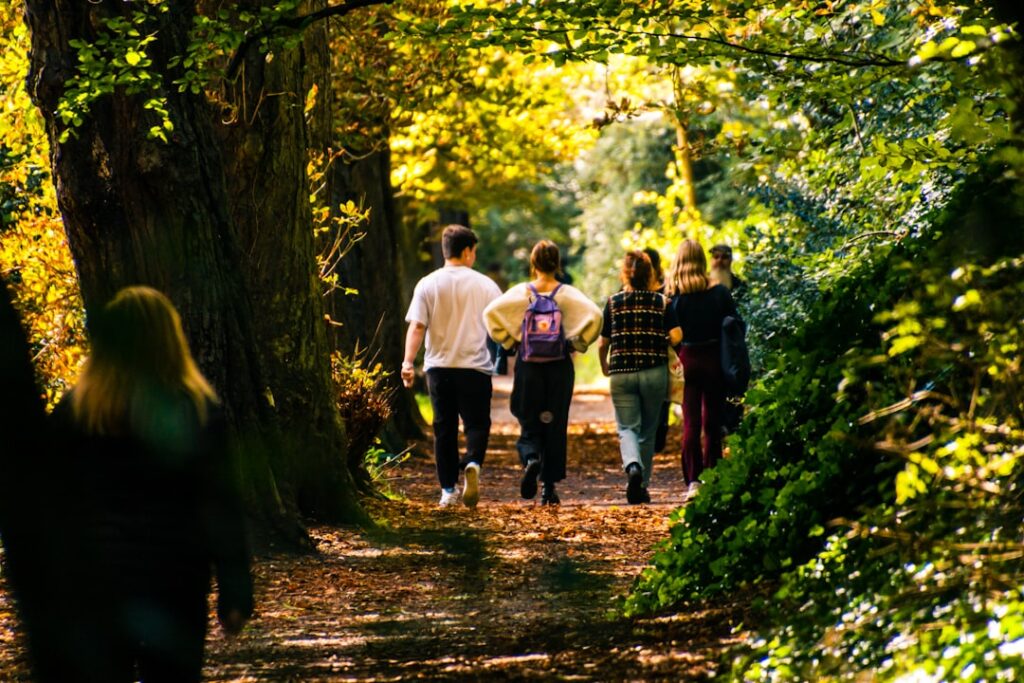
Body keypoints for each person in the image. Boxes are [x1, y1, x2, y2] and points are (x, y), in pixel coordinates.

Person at [49, 285, 253, 682]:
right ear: (171, 341)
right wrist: (235, 592)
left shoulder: (76, 413)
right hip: (175, 579)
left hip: (96, 581)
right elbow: (220, 506)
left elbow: (49, 501)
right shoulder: (198, 412)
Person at [484, 240, 602, 505]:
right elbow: (596, 316)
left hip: (529, 366)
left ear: (533, 263)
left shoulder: (520, 293)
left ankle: (531, 457)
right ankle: (549, 488)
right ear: (557, 264)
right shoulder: (568, 294)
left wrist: (511, 341)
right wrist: (577, 343)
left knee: (528, 418)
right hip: (559, 367)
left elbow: (490, 313)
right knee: (555, 424)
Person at [402, 225, 502, 508]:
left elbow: (417, 326)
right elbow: (501, 325)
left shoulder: (427, 284)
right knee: (477, 424)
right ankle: (473, 462)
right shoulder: (485, 285)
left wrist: (408, 362)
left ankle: (448, 489)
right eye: (474, 251)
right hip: (475, 368)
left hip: (439, 368)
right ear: (468, 251)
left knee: (444, 428)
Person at [599, 251, 682, 504]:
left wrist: (604, 365)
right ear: (651, 274)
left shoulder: (613, 303)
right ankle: (642, 485)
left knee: (627, 428)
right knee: (648, 430)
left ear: (625, 274)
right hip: (653, 372)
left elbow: (603, 342)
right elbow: (677, 335)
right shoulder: (662, 302)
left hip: (622, 373)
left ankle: (632, 465)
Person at [666, 240, 739, 497]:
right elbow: (735, 325)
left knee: (691, 423)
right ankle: (713, 476)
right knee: (712, 423)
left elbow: (670, 335)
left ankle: (693, 481)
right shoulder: (719, 293)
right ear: (702, 260)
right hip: (713, 359)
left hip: (686, 359)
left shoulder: (673, 297)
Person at [643, 247, 672, 454]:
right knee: (661, 397)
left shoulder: (666, 289)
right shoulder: (666, 291)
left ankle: (651, 436)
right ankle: (656, 434)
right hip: (661, 351)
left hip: (641, 351)